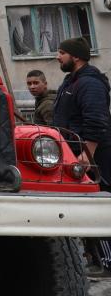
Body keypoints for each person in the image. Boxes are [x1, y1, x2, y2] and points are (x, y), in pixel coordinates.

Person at [51, 37, 111, 275]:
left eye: (61, 52)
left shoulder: (90, 83)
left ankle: (107, 262)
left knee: (98, 205)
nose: (57, 56)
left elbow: (96, 120)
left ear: (75, 56)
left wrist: (88, 156)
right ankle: (96, 259)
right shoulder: (71, 81)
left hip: (92, 157)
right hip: (74, 155)